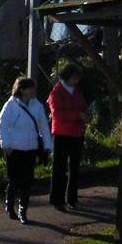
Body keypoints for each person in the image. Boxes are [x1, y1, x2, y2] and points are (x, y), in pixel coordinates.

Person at [0, 76, 51, 223]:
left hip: (31, 148)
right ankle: (9, 205)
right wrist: (6, 144)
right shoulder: (10, 105)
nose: (32, 90)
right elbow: (2, 125)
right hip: (14, 148)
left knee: (27, 180)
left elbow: (44, 126)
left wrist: (47, 145)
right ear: (21, 90)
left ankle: (23, 210)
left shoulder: (37, 106)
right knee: (14, 179)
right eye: (30, 88)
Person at [47, 62, 89, 210]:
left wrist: (85, 115)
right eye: (74, 77)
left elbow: (83, 106)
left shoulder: (76, 91)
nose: (76, 81)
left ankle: (72, 198)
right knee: (59, 167)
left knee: (75, 167)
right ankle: (57, 198)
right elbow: (57, 113)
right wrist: (78, 115)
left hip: (76, 132)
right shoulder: (56, 92)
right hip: (61, 133)